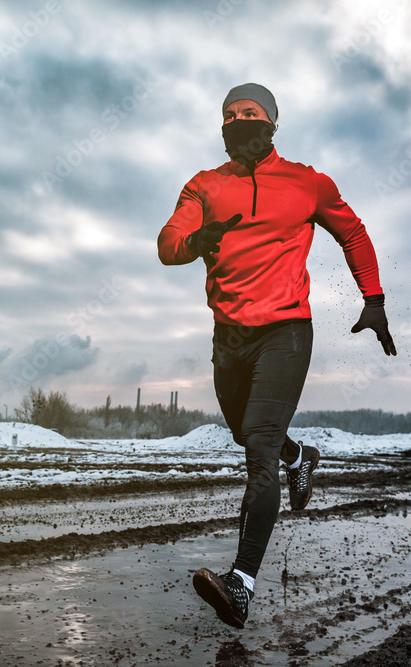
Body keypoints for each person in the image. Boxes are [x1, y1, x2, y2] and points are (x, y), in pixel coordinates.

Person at [157, 83, 396, 629]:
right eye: (228, 115)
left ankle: (240, 583)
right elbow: (168, 243)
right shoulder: (203, 185)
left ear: (271, 122)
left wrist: (374, 298)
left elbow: (352, 233)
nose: (238, 121)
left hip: (287, 330)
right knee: (247, 433)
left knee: (257, 444)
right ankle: (300, 457)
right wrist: (197, 243)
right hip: (229, 336)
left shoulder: (308, 182)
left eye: (249, 113)